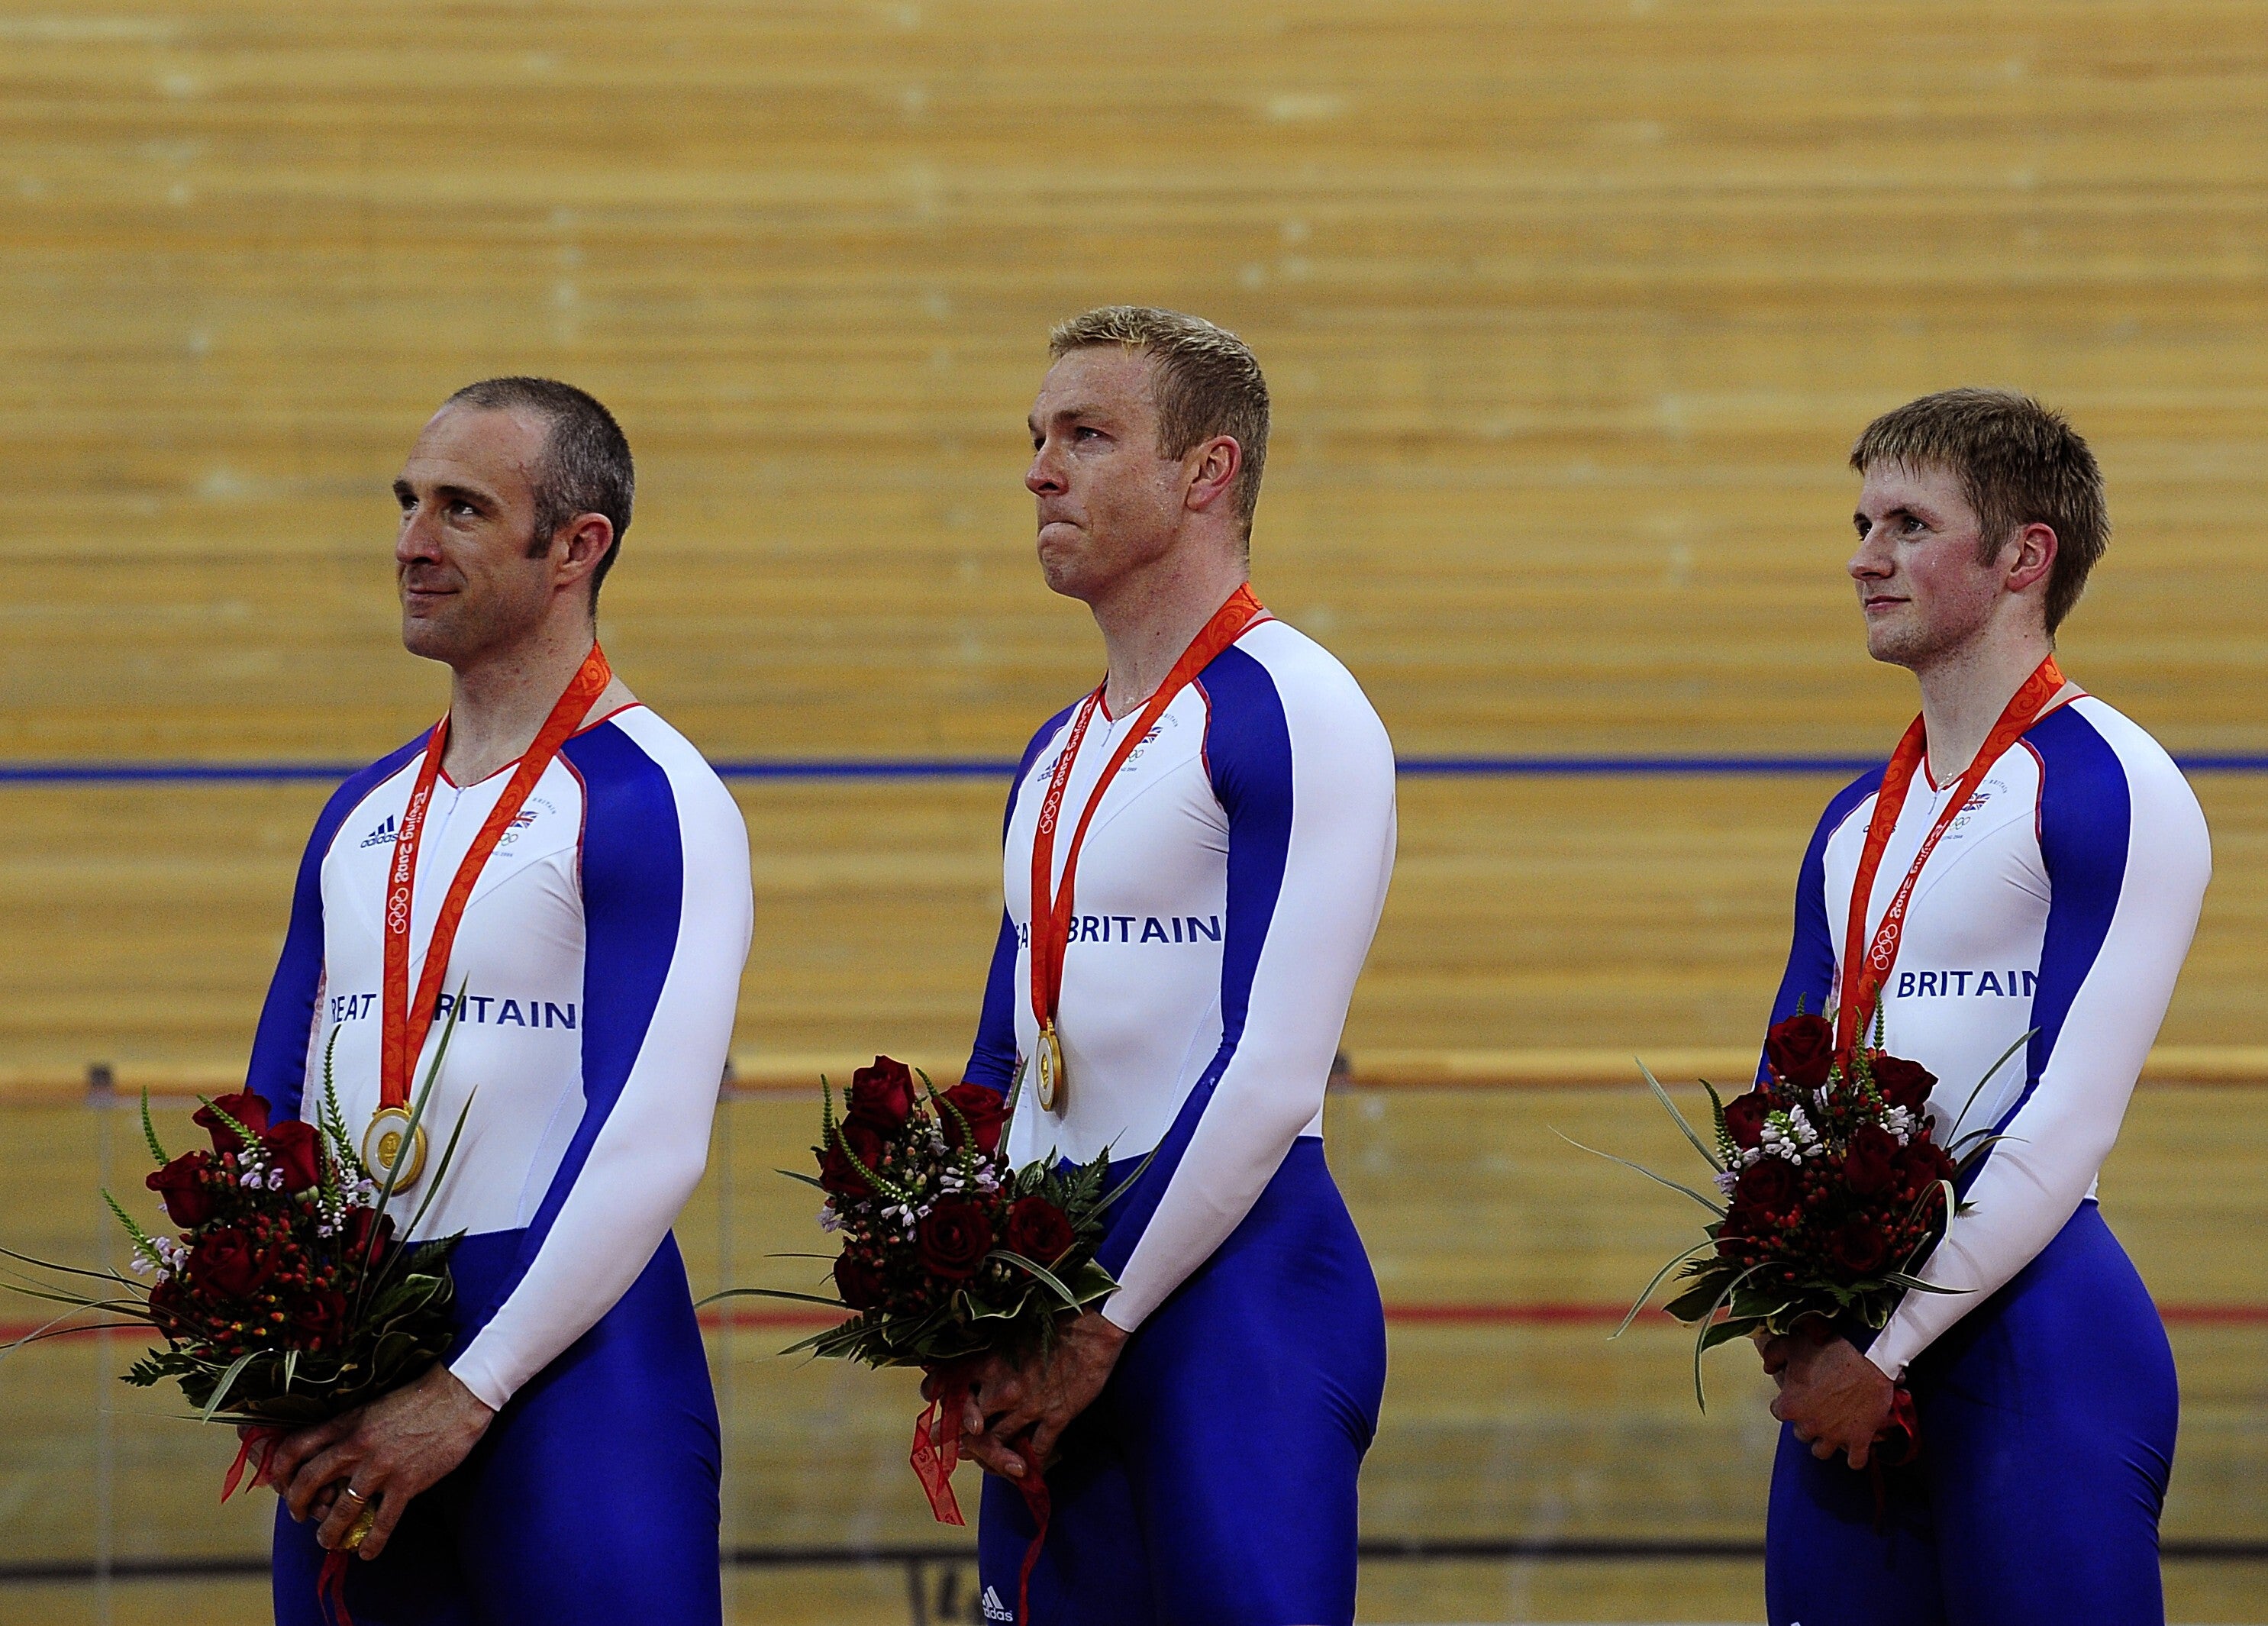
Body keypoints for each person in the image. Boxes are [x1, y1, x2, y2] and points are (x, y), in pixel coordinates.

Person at [241, 377, 754, 1625]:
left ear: (579, 547)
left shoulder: (653, 797)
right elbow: (273, 1105)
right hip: (357, 1371)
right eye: (409, 501)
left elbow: (652, 1137)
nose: (413, 542)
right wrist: (254, 1331)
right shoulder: (361, 814)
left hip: (574, 1385)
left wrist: (471, 1386)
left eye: (463, 508)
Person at [941, 307, 1397, 1626]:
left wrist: (1102, 1319)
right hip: (1060, 1305)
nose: (1039, 468)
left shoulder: (1295, 705)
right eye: (1036, 436)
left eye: (1086, 435)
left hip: (1234, 1300)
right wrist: (958, 1284)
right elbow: (1002, 1056)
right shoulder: (1060, 747)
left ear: (1208, 474)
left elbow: (1271, 1064)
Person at [1758, 389, 2209, 1624]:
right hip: (1849, 1354)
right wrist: (1787, 1312)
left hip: (2038, 1347)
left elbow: (2065, 1123)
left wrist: (1881, 1352)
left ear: (2025, 556)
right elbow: (1785, 1089)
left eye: (1908, 523)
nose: (1864, 556)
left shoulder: (2113, 784)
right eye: (1860, 520)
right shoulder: (1855, 820)